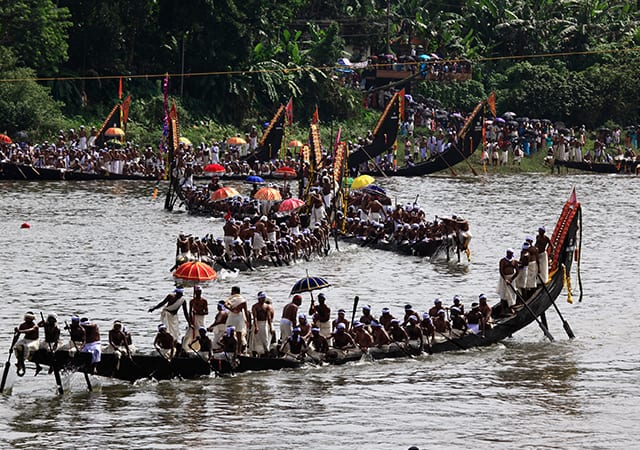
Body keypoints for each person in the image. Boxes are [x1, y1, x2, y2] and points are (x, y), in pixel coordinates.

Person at [225, 286, 251, 355]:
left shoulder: (231, 299)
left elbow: (225, 305)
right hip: (239, 317)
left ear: (234, 292)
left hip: (232, 316)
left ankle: (229, 350)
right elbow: (245, 312)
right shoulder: (243, 300)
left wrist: (232, 310)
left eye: (232, 291)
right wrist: (248, 321)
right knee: (239, 335)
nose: (231, 292)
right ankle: (239, 352)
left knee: (229, 333)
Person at [183, 286, 209, 353]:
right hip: (193, 318)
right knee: (189, 333)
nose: (198, 293)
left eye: (199, 292)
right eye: (197, 292)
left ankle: (199, 347)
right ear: (195, 292)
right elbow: (189, 312)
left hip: (200, 319)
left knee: (200, 333)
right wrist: (190, 322)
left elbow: (206, 312)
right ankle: (185, 348)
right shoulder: (192, 301)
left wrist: (198, 312)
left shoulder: (204, 301)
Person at [249, 292, 274, 357]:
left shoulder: (267, 306)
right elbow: (255, 317)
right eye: (262, 298)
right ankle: (254, 353)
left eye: (264, 298)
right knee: (255, 340)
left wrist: (270, 327)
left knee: (265, 339)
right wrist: (256, 326)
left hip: (264, 324)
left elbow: (269, 317)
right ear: (259, 299)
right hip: (257, 323)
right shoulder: (255, 306)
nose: (263, 300)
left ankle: (266, 353)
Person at [496, 248, 518, 316]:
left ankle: (511, 307)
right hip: (504, 279)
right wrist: (505, 279)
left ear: (512, 254)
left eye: (510, 254)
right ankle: (502, 310)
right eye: (508, 253)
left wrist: (511, 279)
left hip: (511, 279)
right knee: (503, 293)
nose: (509, 254)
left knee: (512, 293)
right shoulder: (503, 261)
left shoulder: (514, 261)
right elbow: (501, 270)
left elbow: (517, 271)